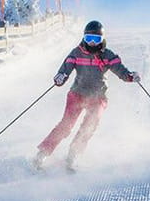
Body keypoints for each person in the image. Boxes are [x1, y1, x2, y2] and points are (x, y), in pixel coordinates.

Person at [33, 20, 139, 172]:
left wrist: (130, 76)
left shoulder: (107, 55)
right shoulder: (76, 52)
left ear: (102, 39)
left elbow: (120, 70)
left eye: (96, 39)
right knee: (66, 125)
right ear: (84, 37)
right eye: (89, 38)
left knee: (89, 126)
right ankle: (42, 153)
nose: (92, 43)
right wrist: (60, 77)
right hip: (78, 94)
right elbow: (65, 68)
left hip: (98, 97)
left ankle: (72, 156)